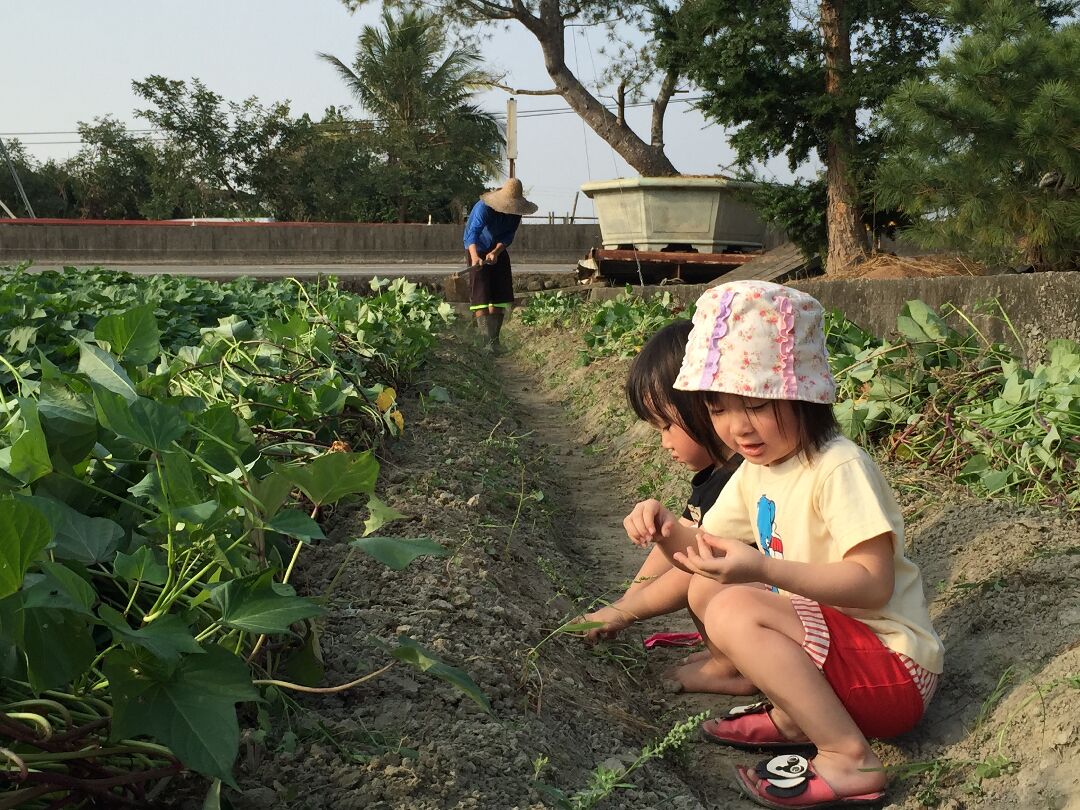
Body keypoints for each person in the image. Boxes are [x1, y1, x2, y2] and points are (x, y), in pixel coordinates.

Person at [623, 280, 944, 809]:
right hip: (842, 664)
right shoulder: (760, 467)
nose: (738, 428)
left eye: (757, 404)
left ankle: (848, 757)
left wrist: (765, 572)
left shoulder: (837, 466)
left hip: (893, 673)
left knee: (736, 605)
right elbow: (705, 549)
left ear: (803, 394)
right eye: (720, 408)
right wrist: (664, 528)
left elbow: (872, 581)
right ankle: (798, 717)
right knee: (713, 592)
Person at [582, 321, 751, 693]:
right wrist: (625, 600)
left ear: (705, 409)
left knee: (704, 579)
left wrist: (623, 614)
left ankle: (733, 669)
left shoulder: (744, 479)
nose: (664, 443)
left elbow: (691, 570)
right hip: (759, 612)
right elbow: (680, 544)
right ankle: (728, 656)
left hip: (775, 613)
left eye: (666, 426)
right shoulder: (718, 473)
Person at [462, 177, 538, 349]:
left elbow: (508, 236)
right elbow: (472, 233)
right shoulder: (484, 208)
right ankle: (484, 340)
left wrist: (495, 252)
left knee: (499, 292)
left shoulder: (516, 213)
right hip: (477, 246)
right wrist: (475, 257)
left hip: (497, 248)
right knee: (480, 292)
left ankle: (494, 341)